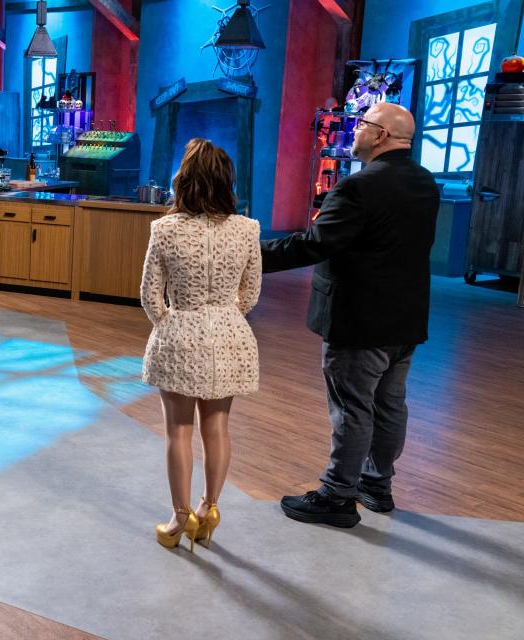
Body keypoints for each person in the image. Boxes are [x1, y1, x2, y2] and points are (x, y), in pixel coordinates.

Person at [261, 102, 439, 528]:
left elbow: (313, 244)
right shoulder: (425, 182)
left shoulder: (359, 186)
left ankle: (337, 496)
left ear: (380, 135)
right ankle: (376, 487)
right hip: (405, 320)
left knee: (353, 407)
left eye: (362, 124)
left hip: (360, 320)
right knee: (389, 403)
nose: (353, 130)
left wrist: (247, 251)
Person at [141, 139, 261, 551]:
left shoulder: (165, 229)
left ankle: (179, 518)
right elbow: (251, 295)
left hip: (180, 335)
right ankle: (209, 508)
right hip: (230, 337)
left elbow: (150, 297)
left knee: (178, 431)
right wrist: (224, 317)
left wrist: (174, 323)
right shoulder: (248, 229)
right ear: (226, 180)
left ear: (184, 179)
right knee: (218, 427)